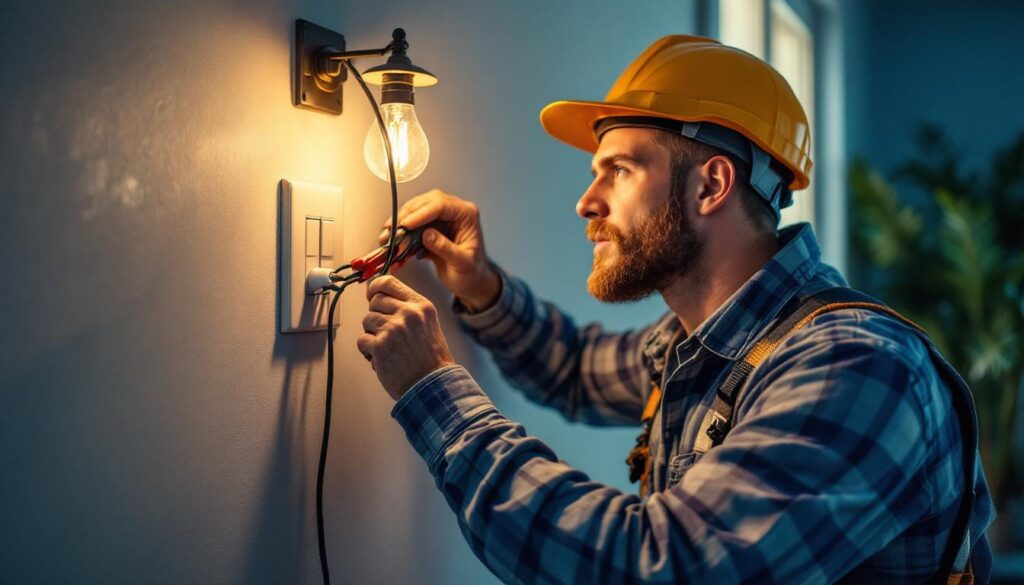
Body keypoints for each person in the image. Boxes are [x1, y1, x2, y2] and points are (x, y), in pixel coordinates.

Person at [355, 35, 994, 583]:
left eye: (620, 170)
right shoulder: (708, 342)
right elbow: (577, 369)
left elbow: (663, 567)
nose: (587, 201)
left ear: (710, 185)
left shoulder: (856, 365)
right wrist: (481, 285)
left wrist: (435, 392)